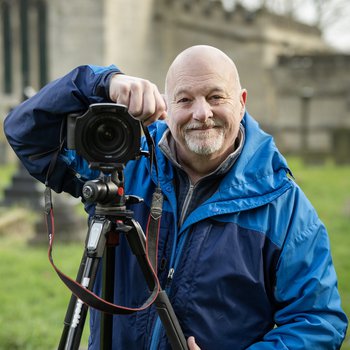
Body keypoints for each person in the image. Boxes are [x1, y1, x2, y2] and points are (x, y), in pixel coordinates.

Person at [4, 45, 348, 349]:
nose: (201, 113)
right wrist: (103, 82)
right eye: (185, 99)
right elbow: (24, 130)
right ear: (166, 107)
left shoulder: (283, 206)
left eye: (216, 97)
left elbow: (318, 322)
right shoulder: (125, 163)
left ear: (241, 103)